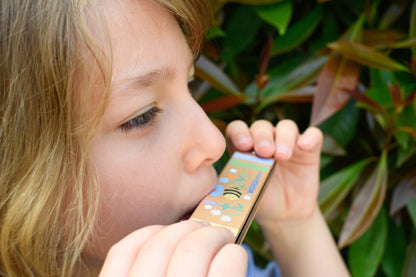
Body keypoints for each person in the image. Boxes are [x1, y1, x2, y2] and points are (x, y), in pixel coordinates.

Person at [0, 0, 350, 276]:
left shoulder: (207, 261)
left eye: (191, 83)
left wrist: (295, 229)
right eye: (142, 116)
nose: (214, 142)